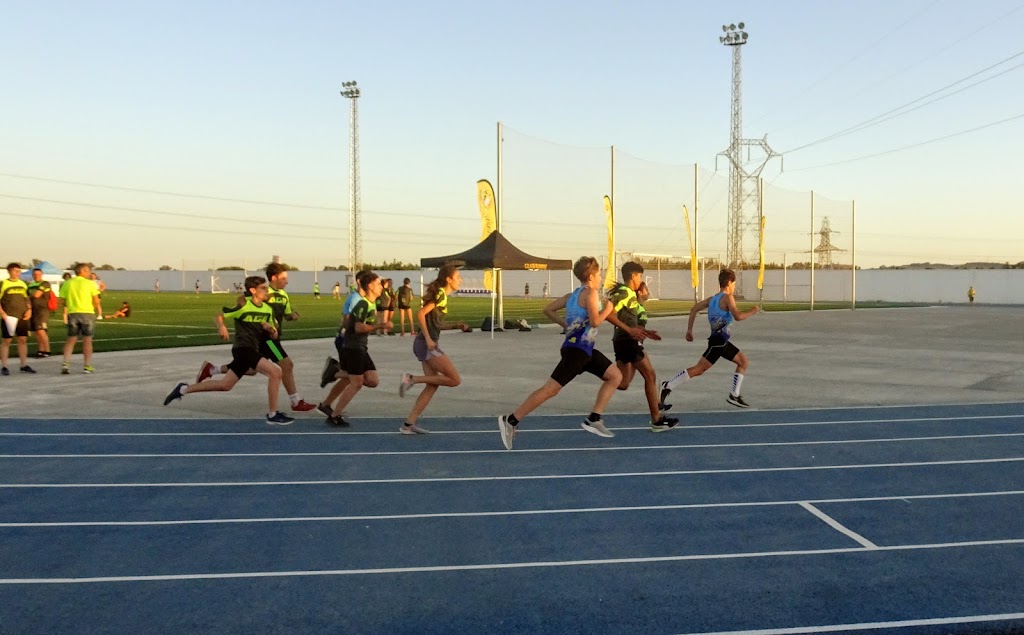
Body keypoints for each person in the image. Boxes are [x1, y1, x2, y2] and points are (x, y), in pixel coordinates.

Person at [497, 256, 622, 450]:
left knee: (615, 376)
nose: (601, 277)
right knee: (551, 389)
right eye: (599, 274)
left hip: (583, 349)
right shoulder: (590, 294)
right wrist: (609, 309)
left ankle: (594, 418)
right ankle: (511, 420)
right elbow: (596, 321)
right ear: (590, 276)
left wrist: (566, 325)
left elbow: (548, 309)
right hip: (577, 352)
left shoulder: (571, 296)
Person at [164, 275, 294, 425]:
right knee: (276, 372)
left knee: (225, 385)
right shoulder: (244, 307)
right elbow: (219, 316)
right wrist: (222, 326)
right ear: (252, 290)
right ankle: (273, 414)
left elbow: (275, 334)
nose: (266, 291)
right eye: (263, 288)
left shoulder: (267, 310)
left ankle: (183, 389)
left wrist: (270, 329)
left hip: (253, 349)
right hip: (243, 349)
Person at [196, 263, 316, 412]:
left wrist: (292, 316)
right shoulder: (264, 290)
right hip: (266, 340)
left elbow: (286, 313)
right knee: (287, 365)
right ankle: (295, 401)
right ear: (274, 278)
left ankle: (213, 369)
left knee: (251, 370)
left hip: (272, 335)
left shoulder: (284, 295)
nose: (287, 281)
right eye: (284, 278)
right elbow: (244, 299)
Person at [659, 269, 760, 411]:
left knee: (743, 362)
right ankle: (668, 385)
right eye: (734, 283)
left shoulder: (712, 299)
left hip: (721, 342)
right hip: (717, 343)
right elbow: (738, 316)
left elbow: (694, 309)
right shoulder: (727, 298)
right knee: (698, 369)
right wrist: (753, 311)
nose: (734, 286)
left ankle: (734, 394)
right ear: (729, 282)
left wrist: (689, 330)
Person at [398, 264, 470, 435]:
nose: (460, 280)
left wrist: (455, 325)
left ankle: (408, 424)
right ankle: (410, 379)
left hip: (425, 343)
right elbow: (421, 314)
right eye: (457, 277)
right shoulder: (440, 295)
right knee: (454, 380)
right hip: (426, 344)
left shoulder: (442, 295)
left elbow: (436, 324)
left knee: (432, 385)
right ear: (448, 279)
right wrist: (429, 339)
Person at [606, 262, 678, 431]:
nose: (641, 280)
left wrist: (644, 332)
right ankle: (657, 420)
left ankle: (602, 372)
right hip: (627, 341)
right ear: (633, 276)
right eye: (640, 276)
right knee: (650, 375)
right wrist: (630, 330)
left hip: (624, 340)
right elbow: (608, 314)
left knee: (623, 383)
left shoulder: (629, 293)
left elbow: (627, 321)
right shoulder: (625, 293)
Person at [324, 271, 392, 427]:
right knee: (356, 382)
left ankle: (336, 372)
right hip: (352, 347)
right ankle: (335, 415)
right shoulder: (362, 303)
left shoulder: (371, 302)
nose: (381, 287)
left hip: (361, 346)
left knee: (373, 381)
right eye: (378, 284)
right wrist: (381, 325)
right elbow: (358, 327)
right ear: (370, 285)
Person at [317, 271, 369, 421]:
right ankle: (333, 372)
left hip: (348, 340)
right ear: (360, 281)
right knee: (354, 377)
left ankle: (326, 403)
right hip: (346, 340)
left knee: (348, 376)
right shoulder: (355, 298)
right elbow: (347, 318)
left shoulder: (360, 299)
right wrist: (347, 334)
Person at [58, 262, 101, 374]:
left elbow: (61, 300)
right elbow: (96, 300)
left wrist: (70, 304)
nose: (89, 273)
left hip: (73, 313)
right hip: (87, 313)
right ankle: (87, 365)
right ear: (82, 271)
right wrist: (95, 307)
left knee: (71, 339)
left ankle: (66, 363)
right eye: (87, 271)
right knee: (87, 340)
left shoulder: (67, 283)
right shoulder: (90, 284)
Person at [1, 263, 36, 375]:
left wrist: (29, 310)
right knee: (7, 341)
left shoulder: (23, 284)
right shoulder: (3, 284)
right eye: (15, 271)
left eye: (19, 271)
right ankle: (4, 366)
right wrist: (3, 313)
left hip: (22, 316)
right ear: (9, 271)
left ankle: (23, 365)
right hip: (9, 316)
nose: (17, 273)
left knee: (22, 340)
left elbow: (26, 298)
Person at [26, 268, 53, 358]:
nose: (36, 276)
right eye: (35, 274)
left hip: (42, 310)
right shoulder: (30, 285)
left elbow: (37, 294)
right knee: (37, 331)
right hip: (33, 310)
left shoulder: (45, 283)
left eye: (38, 274)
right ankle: (41, 350)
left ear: (41, 275)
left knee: (41, 330)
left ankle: (47, 350)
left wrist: (29, 296)